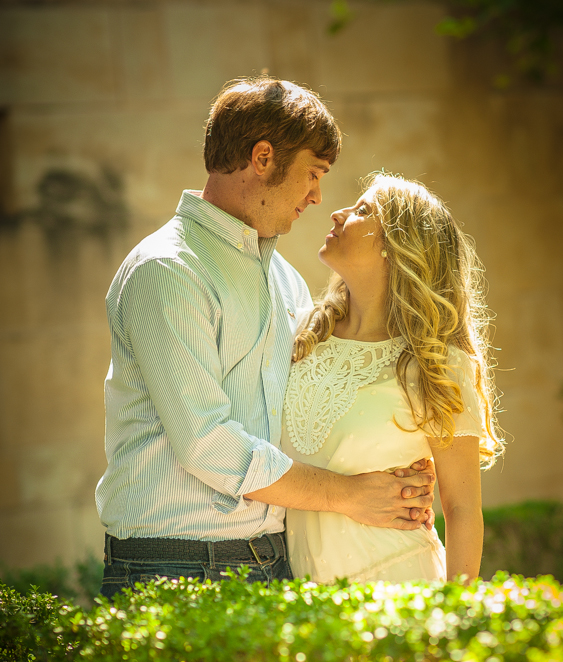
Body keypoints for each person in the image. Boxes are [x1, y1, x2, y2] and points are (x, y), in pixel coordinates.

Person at [96, 78, 435, 600]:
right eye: (313, 174)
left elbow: (311, 407)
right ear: (262, 157)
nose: (318, 196)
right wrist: (350, 495)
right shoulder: (168, 270)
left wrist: (400, 458)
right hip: (175, 568)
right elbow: (208, 444)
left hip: (276, 561)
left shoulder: (284, 279)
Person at [282, 173, 504, 584]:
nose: (337, 212)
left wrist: (456, 613)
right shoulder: (300, 334)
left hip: (399, 586)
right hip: (301, 598)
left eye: (363, 211)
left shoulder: (438, 365)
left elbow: (462, 509)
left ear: (396, 248)